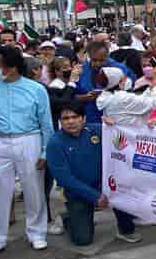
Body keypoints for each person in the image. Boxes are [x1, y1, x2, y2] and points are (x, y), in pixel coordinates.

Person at [0, 46, 53, 258]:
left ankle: (37, 232)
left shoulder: (35, 89)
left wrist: (45, 151)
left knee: (34, 188)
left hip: (29, 139)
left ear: (11, 67)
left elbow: (46, 123)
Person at [47, 104, 140, 246]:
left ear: (83, 118)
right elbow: (64, 179)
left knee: (123, 189)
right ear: (60, 121)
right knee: (83, 240)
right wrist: (94, 196)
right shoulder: (55, 142)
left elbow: (124, 139)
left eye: (75, 117)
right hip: (78, 192)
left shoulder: (97, 130)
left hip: (105, 185)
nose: (71, 121)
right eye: (65, 118)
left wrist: (115, 125)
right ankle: (67, 218)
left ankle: (125, 229)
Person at [73, 40, 132, 126]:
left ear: (108, 55)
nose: (97, 63)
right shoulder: (81, 71)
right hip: (90, 120)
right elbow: (71, 96)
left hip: (115, 121)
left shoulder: (121, 70)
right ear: (89, 56)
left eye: (101, 60)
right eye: (94, 60)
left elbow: (129, 93)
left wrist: (108, 95)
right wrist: (85, 98)